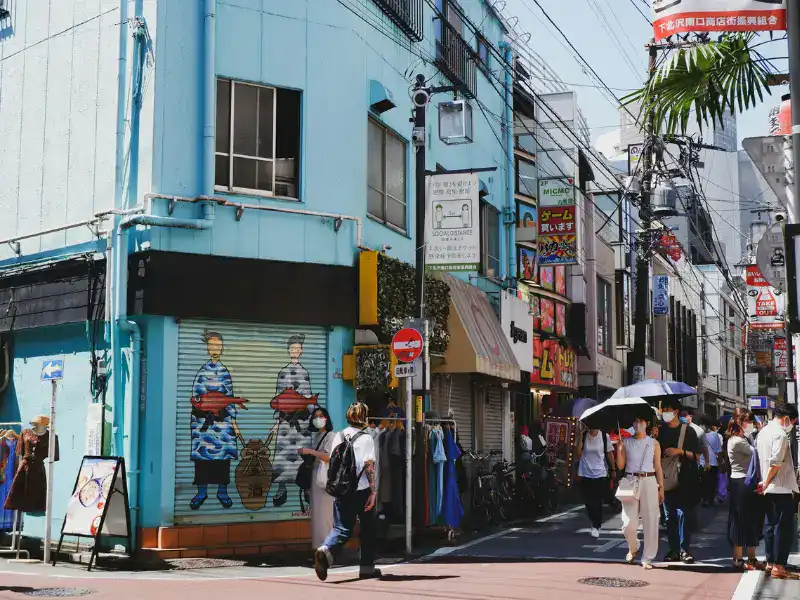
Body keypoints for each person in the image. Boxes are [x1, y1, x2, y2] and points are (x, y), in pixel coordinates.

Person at [314, 402, 380, 581]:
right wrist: (373, 491)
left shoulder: (339, 435)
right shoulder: (366, 438)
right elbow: (369, 465)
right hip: (362, 490)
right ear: (364, 416)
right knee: (368, 530)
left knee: (342, 528)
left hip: (342, 489)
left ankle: (325, 548)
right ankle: (367, 568)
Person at [756, 403, 800, 580]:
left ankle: (771, 562)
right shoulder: (780, 435)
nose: (793, 426)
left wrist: (764, 483)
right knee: (783, 527)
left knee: (770, 524)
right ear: (787, 418)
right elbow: (776, 462)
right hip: (780, 485)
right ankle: (779, 565)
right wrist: (767, 481)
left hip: (768, 487)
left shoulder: (763, 432)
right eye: (793, 422)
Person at [615, 417, 664, 569]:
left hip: (649, 480)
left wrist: (661, 487)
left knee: (651, 520)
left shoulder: (654, 443)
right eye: (635, 421)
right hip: (630, 481)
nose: (638, 424)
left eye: (642, 421)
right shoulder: (626, 442)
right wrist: (619, 449)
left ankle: (647, 558)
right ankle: (633, 546)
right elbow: (621, 465)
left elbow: (658, 466)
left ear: (647, 423)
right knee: (628, 524)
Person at [659, 399, 701, 564]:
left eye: (667, 409)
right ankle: (673, 550)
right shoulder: (660, 432)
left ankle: (684, 550)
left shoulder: (688, 431)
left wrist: (679, 451)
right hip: (667, 479)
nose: (665, 413)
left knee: (684, 515)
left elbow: (697, 456)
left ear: (676, 411)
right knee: (669, 517)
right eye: (663, 410)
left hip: (685, 478)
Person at [726, 411, 764, 571]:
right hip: (741, 482)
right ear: (740, 422)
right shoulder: (737, 441)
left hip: (746, 481)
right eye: (748, 422)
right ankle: (739, 558)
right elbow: (757, 452)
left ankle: (751, 558)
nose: (751, 425)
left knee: (751, 519)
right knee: (741, 520)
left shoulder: (744, 439)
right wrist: (761, 432)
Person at [299, 406, 335, 549]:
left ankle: (327, 547)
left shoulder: (331, 436)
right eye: (315, 417)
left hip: (324, 478)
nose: (318, 419)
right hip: (316, 476)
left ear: (326, 418)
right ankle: (318, 547)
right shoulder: (318, 436)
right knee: (317, 514)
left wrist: (310, 452)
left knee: (325, 514)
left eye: (321, 416)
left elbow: (328, 456)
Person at [577, 427, 615, 538]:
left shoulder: (604, 436)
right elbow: (578, 453)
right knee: (588, 502)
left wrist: (613, 469)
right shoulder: (583, 435)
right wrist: (579, 437)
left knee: (597, 501)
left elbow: (609, 454)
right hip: (585, 472)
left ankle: (596, 525)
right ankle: (594, 521)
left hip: (600, 473)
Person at [703, 423, 724, 506]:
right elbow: (718, 450)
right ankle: (709, 499)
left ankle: (705, 499)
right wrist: (720, 461)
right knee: (711, 482)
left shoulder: (699, 434)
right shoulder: (715, 435)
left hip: (702, 462)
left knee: (705, 481)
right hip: (712, 463)